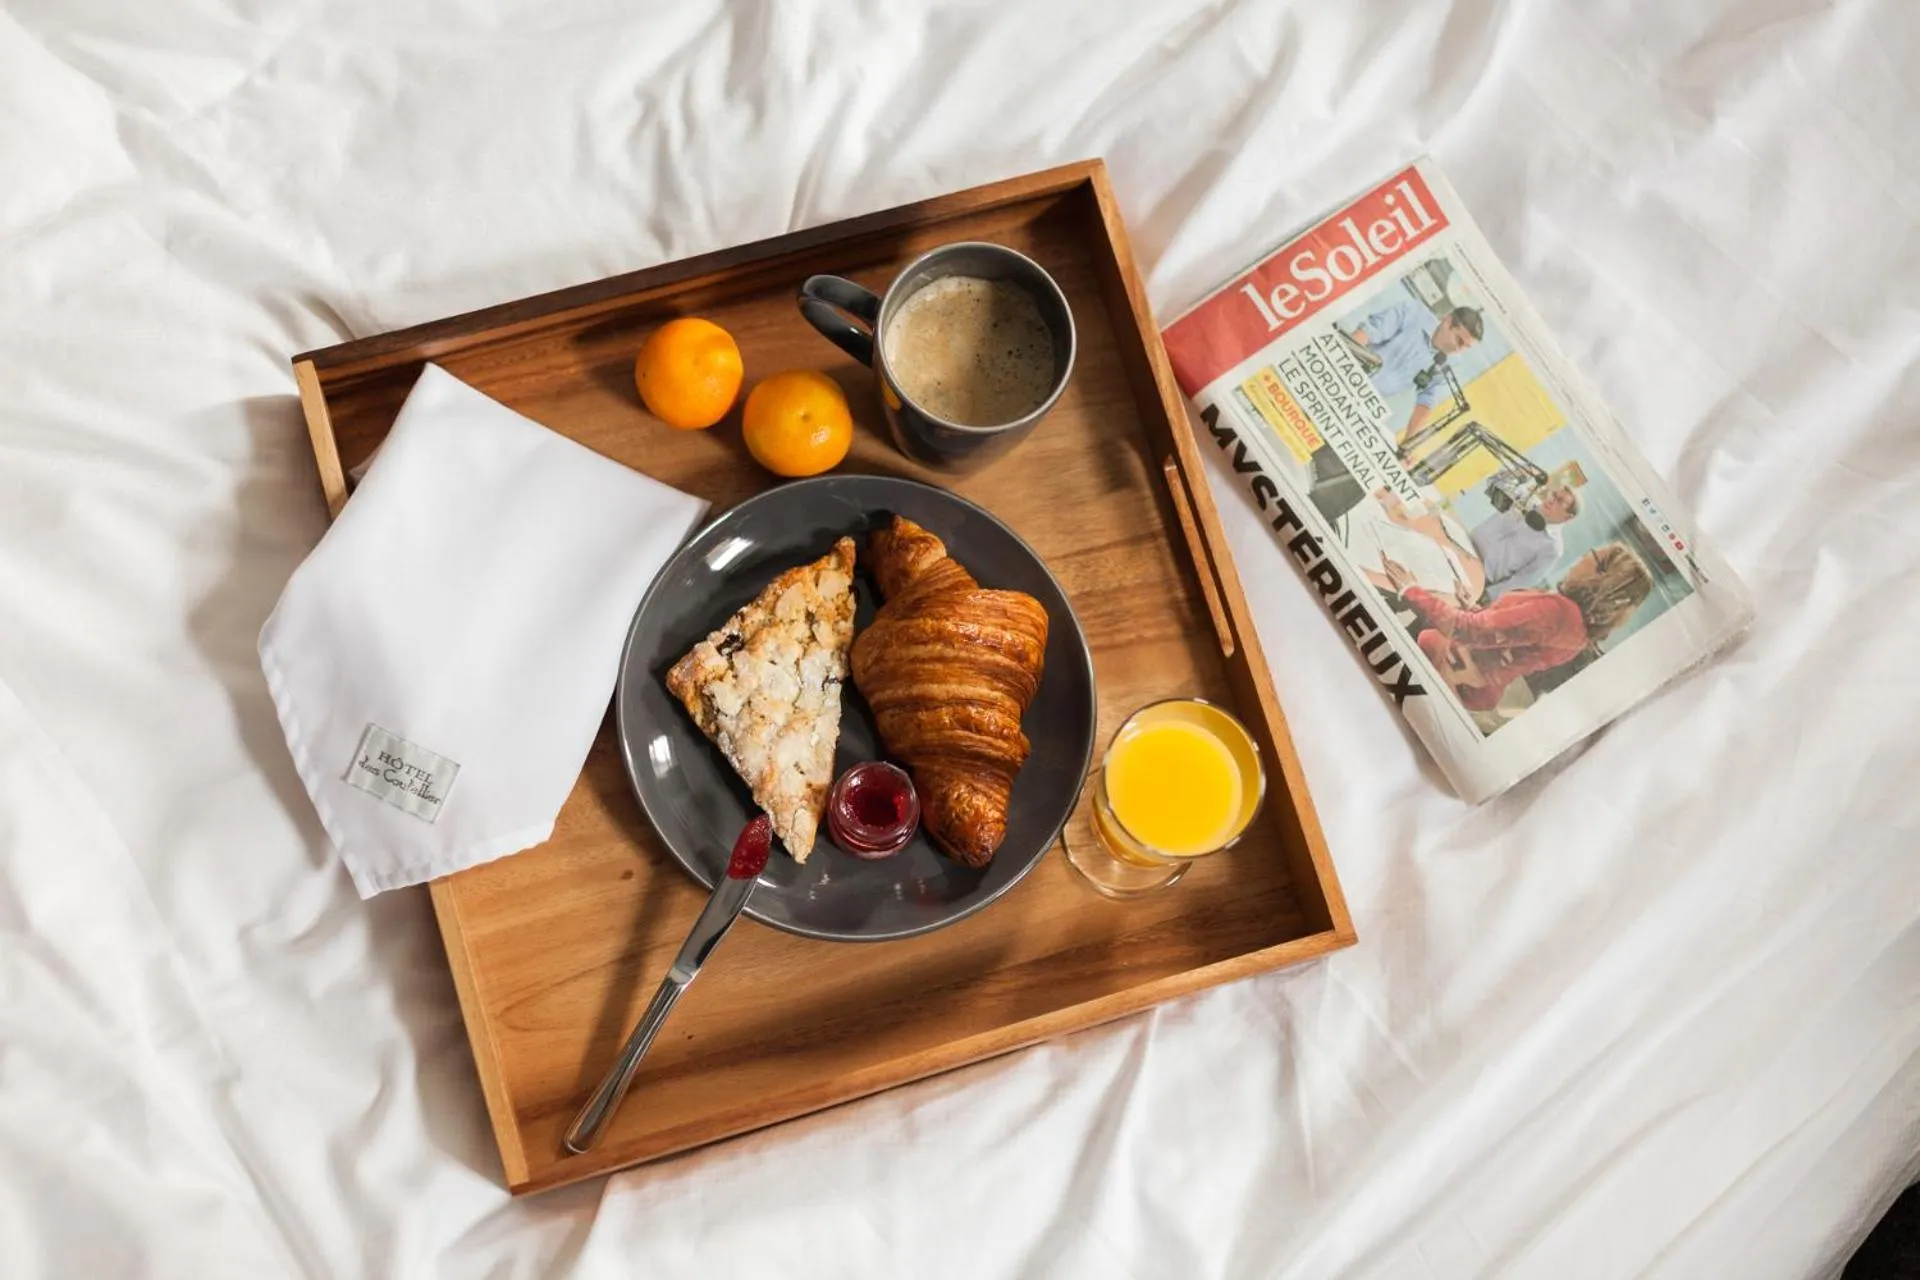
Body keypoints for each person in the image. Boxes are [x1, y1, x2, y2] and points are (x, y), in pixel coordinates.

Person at [1382, 541, 1653, 712]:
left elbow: (1468, 631)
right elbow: (1509, 641)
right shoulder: (1580, 632)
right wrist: (1476, 609)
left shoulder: (1557, 612)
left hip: (1454, 671)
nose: (1582, 557)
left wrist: (1410, 589)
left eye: (1591, 555)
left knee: (1409, 618)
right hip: (1480, 688)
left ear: (1601, 576)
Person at [1344, 296, 1483, 447]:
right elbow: (1367, 333)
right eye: (1459, 340)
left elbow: (1427, 400)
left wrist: (1408, 444)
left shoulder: (1451, 362)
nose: (1458, 349)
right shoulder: (1411, 312)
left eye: (1466, 347)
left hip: (1364, 404)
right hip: (1345, 375)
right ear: (1447, 321)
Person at [1470, 480, 1582, 598]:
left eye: (1559, 501)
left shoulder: (1553, 548)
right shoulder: (1525, 498)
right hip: (1467, 543)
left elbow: (1524, 580)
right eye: (1553, 494)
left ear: (1567, 518)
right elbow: (1495, 484)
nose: (1551, 500)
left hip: (1480, 576)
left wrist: (1487, 596)